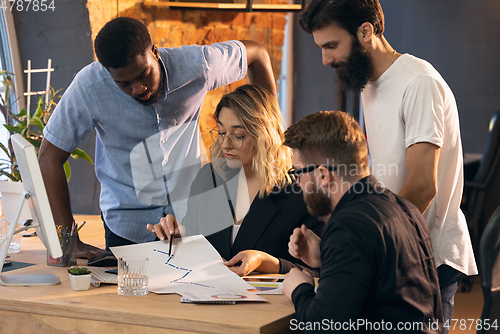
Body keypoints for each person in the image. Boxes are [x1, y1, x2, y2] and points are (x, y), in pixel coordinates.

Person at [298, 0, 476, 326]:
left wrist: (362, 242)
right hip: (391, 247)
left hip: (426, 255)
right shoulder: (368, 81)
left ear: (366, 32)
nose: (326, 59)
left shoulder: (418, 83)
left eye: (332, 46)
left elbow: (423, 185)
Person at [38, 17, 276, 259]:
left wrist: (272, 130)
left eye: (144, 74)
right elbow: (48, 156)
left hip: (191, 219)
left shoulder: (199, 65)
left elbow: (257, 54)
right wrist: (68, 240)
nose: (137, 89)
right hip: (127, 225)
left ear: (154, 52)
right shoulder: (90, 86)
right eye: (124, 84)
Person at [282, 110, 443, 333]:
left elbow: (322, 326)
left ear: (322, 175)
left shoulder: (349, 226)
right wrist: (325, 258)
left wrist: (299, 288)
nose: (297, 184)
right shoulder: (403, 207)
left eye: (298, 172)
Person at [147, 84, 324, 276]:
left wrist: (270, 263)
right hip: (206, 299)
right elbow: (193, 247)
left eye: (238, 136)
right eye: (221, 132)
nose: (225, 144)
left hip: (272, 304)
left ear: (264, 136)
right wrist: (176, 236)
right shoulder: (209, 178)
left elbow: (320, 271)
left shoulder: (301, 190)